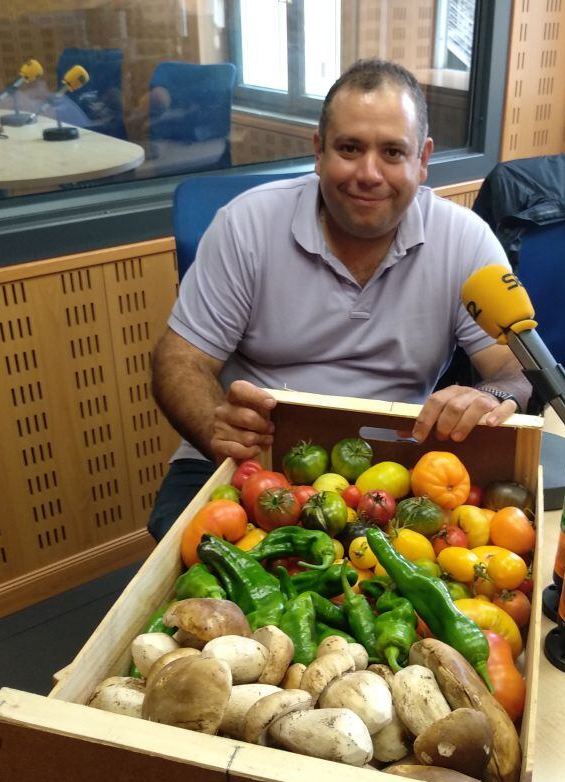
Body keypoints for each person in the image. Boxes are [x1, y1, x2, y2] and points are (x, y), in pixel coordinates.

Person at [147, 58, 530, 539]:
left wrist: (490, 394)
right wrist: (216, 430)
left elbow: (517, 369)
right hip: (248, 461)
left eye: (393, 152)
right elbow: (178, 360)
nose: (369, 173)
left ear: (423, 159)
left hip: (390, 473)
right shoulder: (246, 224)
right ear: (318, 150)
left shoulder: (466, 241)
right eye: (350, 148)